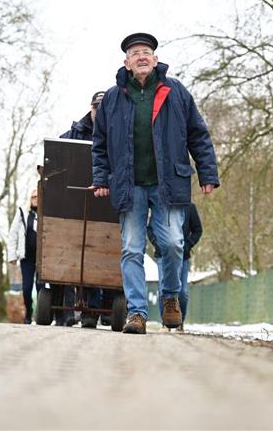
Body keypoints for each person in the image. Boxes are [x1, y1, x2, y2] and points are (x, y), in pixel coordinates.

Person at [91, 32, 219, 334]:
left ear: (156, 58)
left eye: (147, 51)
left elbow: (198, 134)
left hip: (169, 183)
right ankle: (136, 313)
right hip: (129, 184)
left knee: (173, 243)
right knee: (132, 249)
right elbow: (100, 143)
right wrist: (100, 178)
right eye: (135, 53)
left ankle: (170, 297)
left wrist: (208, 173)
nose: (142, 57)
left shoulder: (176, 92)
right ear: (127, 62)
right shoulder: (113, 97)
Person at [60, 90, 112, 328]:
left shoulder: (117, 133)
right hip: (76, 202)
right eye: (96, 109)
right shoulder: (75, 132)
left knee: (102, 251)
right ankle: (73, 308)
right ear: (90, 109)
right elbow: (59, 150)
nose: (99, 114)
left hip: (106, 205)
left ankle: (99, 306)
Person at [148, 202, 201, 331]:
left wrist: (187, 245)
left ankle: (180, 322)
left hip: (182, 257)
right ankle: (165, 322)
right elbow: (150, 229)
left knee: (182, 292)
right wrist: (157, 243)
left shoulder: (190, 207)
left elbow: (197, 230)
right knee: (163, 289)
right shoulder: (159, 206)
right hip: (162, 256)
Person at [7, 190, 41, 324]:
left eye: (38, 196)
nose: (35, 199)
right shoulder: (22, 212)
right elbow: (13, 234)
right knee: (27, 288)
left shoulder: (46, 211)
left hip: (42, 259)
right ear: (30, 199)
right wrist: (12, 255)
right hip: (26, 257)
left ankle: (40, 314)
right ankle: (29, 311)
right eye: (33, 196)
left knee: (41, 289)